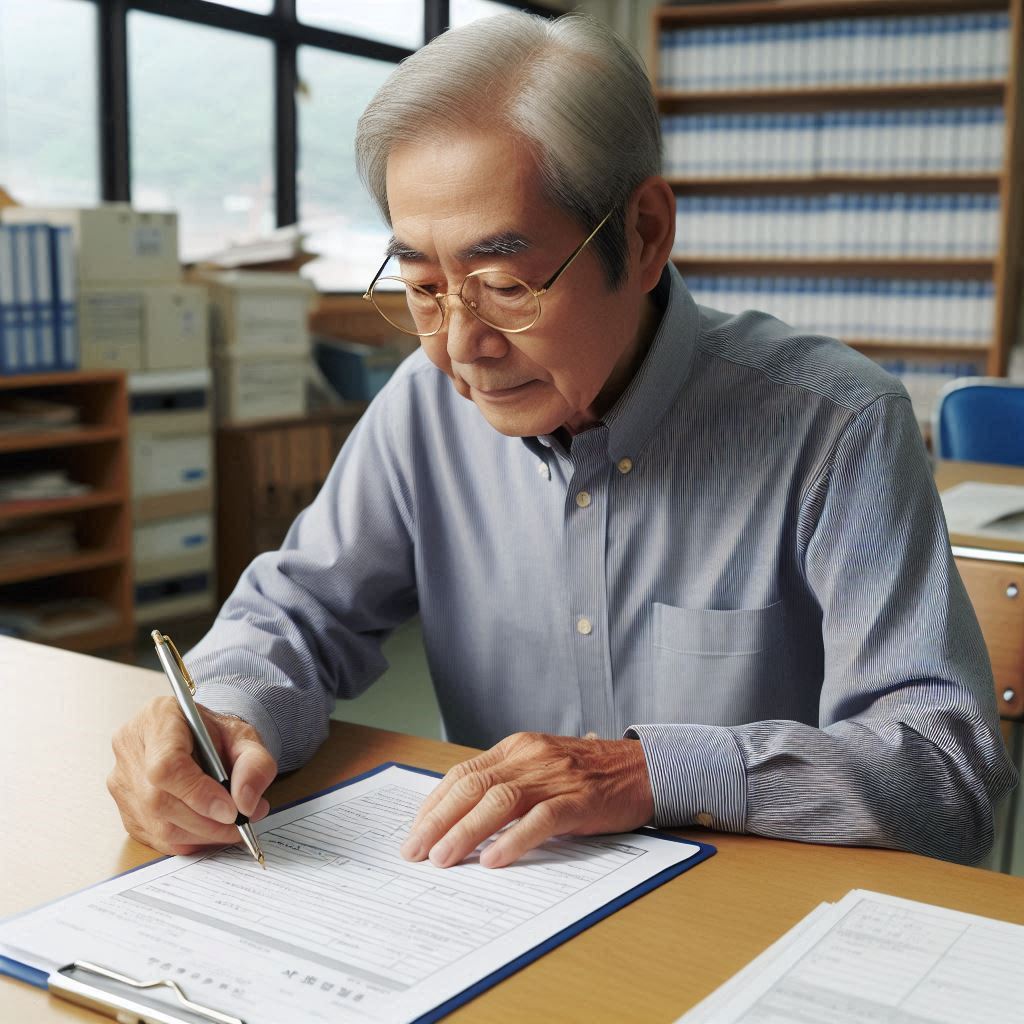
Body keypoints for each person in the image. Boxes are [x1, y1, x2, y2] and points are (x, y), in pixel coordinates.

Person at [108, 11, 1016, 869]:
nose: (461, 347)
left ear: (646, 234)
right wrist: (216, 720)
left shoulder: (835, 427)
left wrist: (651, 771)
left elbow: (949, 776)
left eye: (505, 284)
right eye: (424, 285)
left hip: (752, 924)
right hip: (498, 910)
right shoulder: (426, 405)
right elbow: (295, 617)